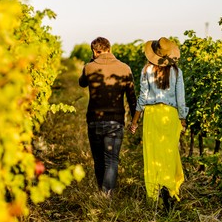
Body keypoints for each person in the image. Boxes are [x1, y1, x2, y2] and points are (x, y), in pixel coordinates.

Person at [129, 37, 188, 210]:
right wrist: (182, 119)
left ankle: (153, 197)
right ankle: (169, 194)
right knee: (169, 155)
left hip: (152, 115)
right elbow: (181, 99)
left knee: (152, 155)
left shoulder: (146, 70)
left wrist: (135, 121)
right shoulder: (177, 72)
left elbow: (143, 97)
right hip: (170, 116)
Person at [79, 37, 137, 196]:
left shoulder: (89, 67)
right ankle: (106, 196)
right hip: (115, 121)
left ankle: (101, 193)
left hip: (94, 120)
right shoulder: (125, 68)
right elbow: (132, 97)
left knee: (99, 161)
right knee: (111, 161)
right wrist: (134, 120)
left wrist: (91, 61)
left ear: (94, 51)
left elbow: (82, 83)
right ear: (109, 49)